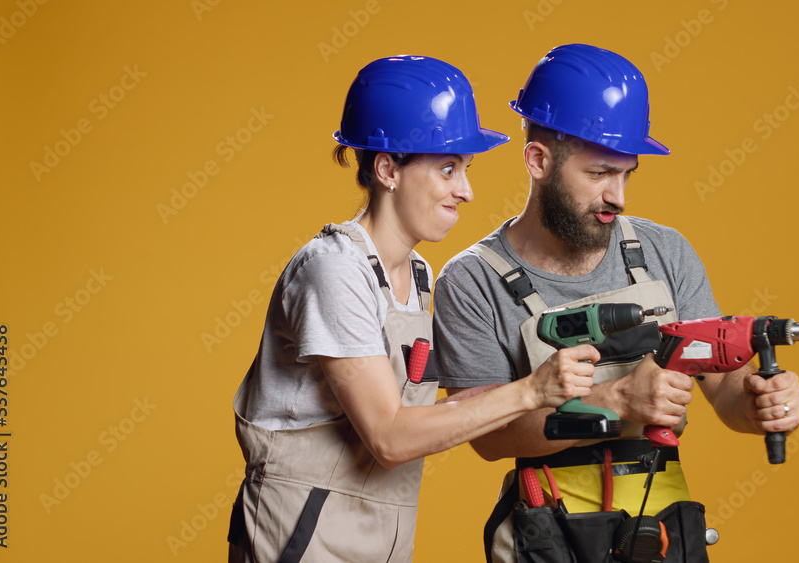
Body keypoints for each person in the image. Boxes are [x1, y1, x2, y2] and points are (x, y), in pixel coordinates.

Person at [432, 44, 799, 563]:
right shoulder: (472, 280)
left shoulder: (663, 251)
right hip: (550, 534)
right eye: (599, 173)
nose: (618, 196)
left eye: (627, 173)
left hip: (663, 530)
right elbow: (489, 438)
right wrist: (617, 401)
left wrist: (759, 403)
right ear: (538, 160)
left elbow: (723, 385)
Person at [226, 55, 600, 563]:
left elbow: (430, 414)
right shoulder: (335, 270)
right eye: (448, 168)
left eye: (465, 169)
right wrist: (531, 390)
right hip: (301, 536)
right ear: (387, 169)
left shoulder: (419, 274)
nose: (466, 190)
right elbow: (389, 437)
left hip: (383, 536)